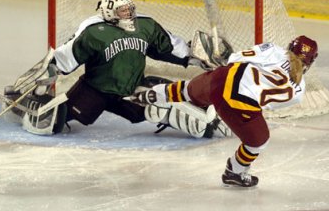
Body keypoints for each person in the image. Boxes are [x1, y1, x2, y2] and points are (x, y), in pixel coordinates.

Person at [7, 0, 220, 138]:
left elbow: (167, 47)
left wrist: (195, 58)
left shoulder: (144, 25)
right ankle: (24, 107)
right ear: (109, 11)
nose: (129, 14)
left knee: (157, 105)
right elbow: (63, 59)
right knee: (54, 120)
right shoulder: (93, 30)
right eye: (123, 11)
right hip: (94, 91)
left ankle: (206, 119)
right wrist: (38, 80)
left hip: (129, 89)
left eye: (130, 9)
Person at [130, 35, 318, 187]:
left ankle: (150, 96)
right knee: (259, 141)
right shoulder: (298, 91)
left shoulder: (273, 49)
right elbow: (262, 104)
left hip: (221, 77)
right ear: (309, 62)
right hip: (237, 102)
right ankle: (234, 171)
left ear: (289, 47)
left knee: (187, 91)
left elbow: (235, 58)